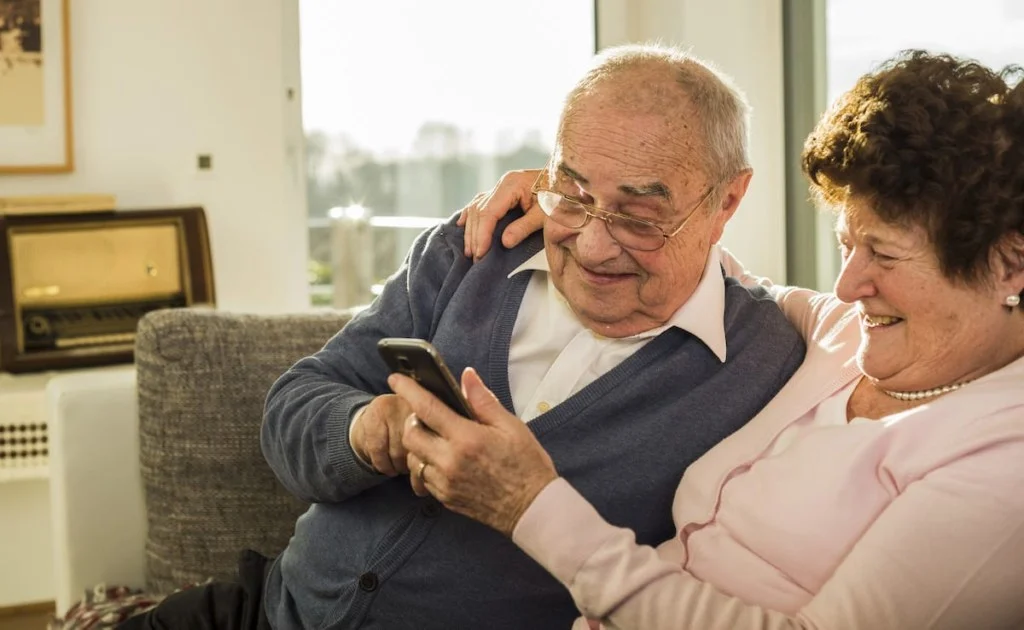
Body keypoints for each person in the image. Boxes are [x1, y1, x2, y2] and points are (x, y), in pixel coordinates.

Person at [119, 45, 804, 630]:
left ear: (727, 202)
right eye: (572, 193)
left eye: (639, 215)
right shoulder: (475, 252)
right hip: (273, 608)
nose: (594, 245)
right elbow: (290, 413)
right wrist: (368, 430)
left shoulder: (765, 361)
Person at [394, 50, 1024, 629]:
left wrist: (532, 506)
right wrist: (583, 198)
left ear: (1010, 265)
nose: (849, 283)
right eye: (846, 245)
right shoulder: (841, 332)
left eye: (883, 254)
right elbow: (713, 273)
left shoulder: (1004, 463)